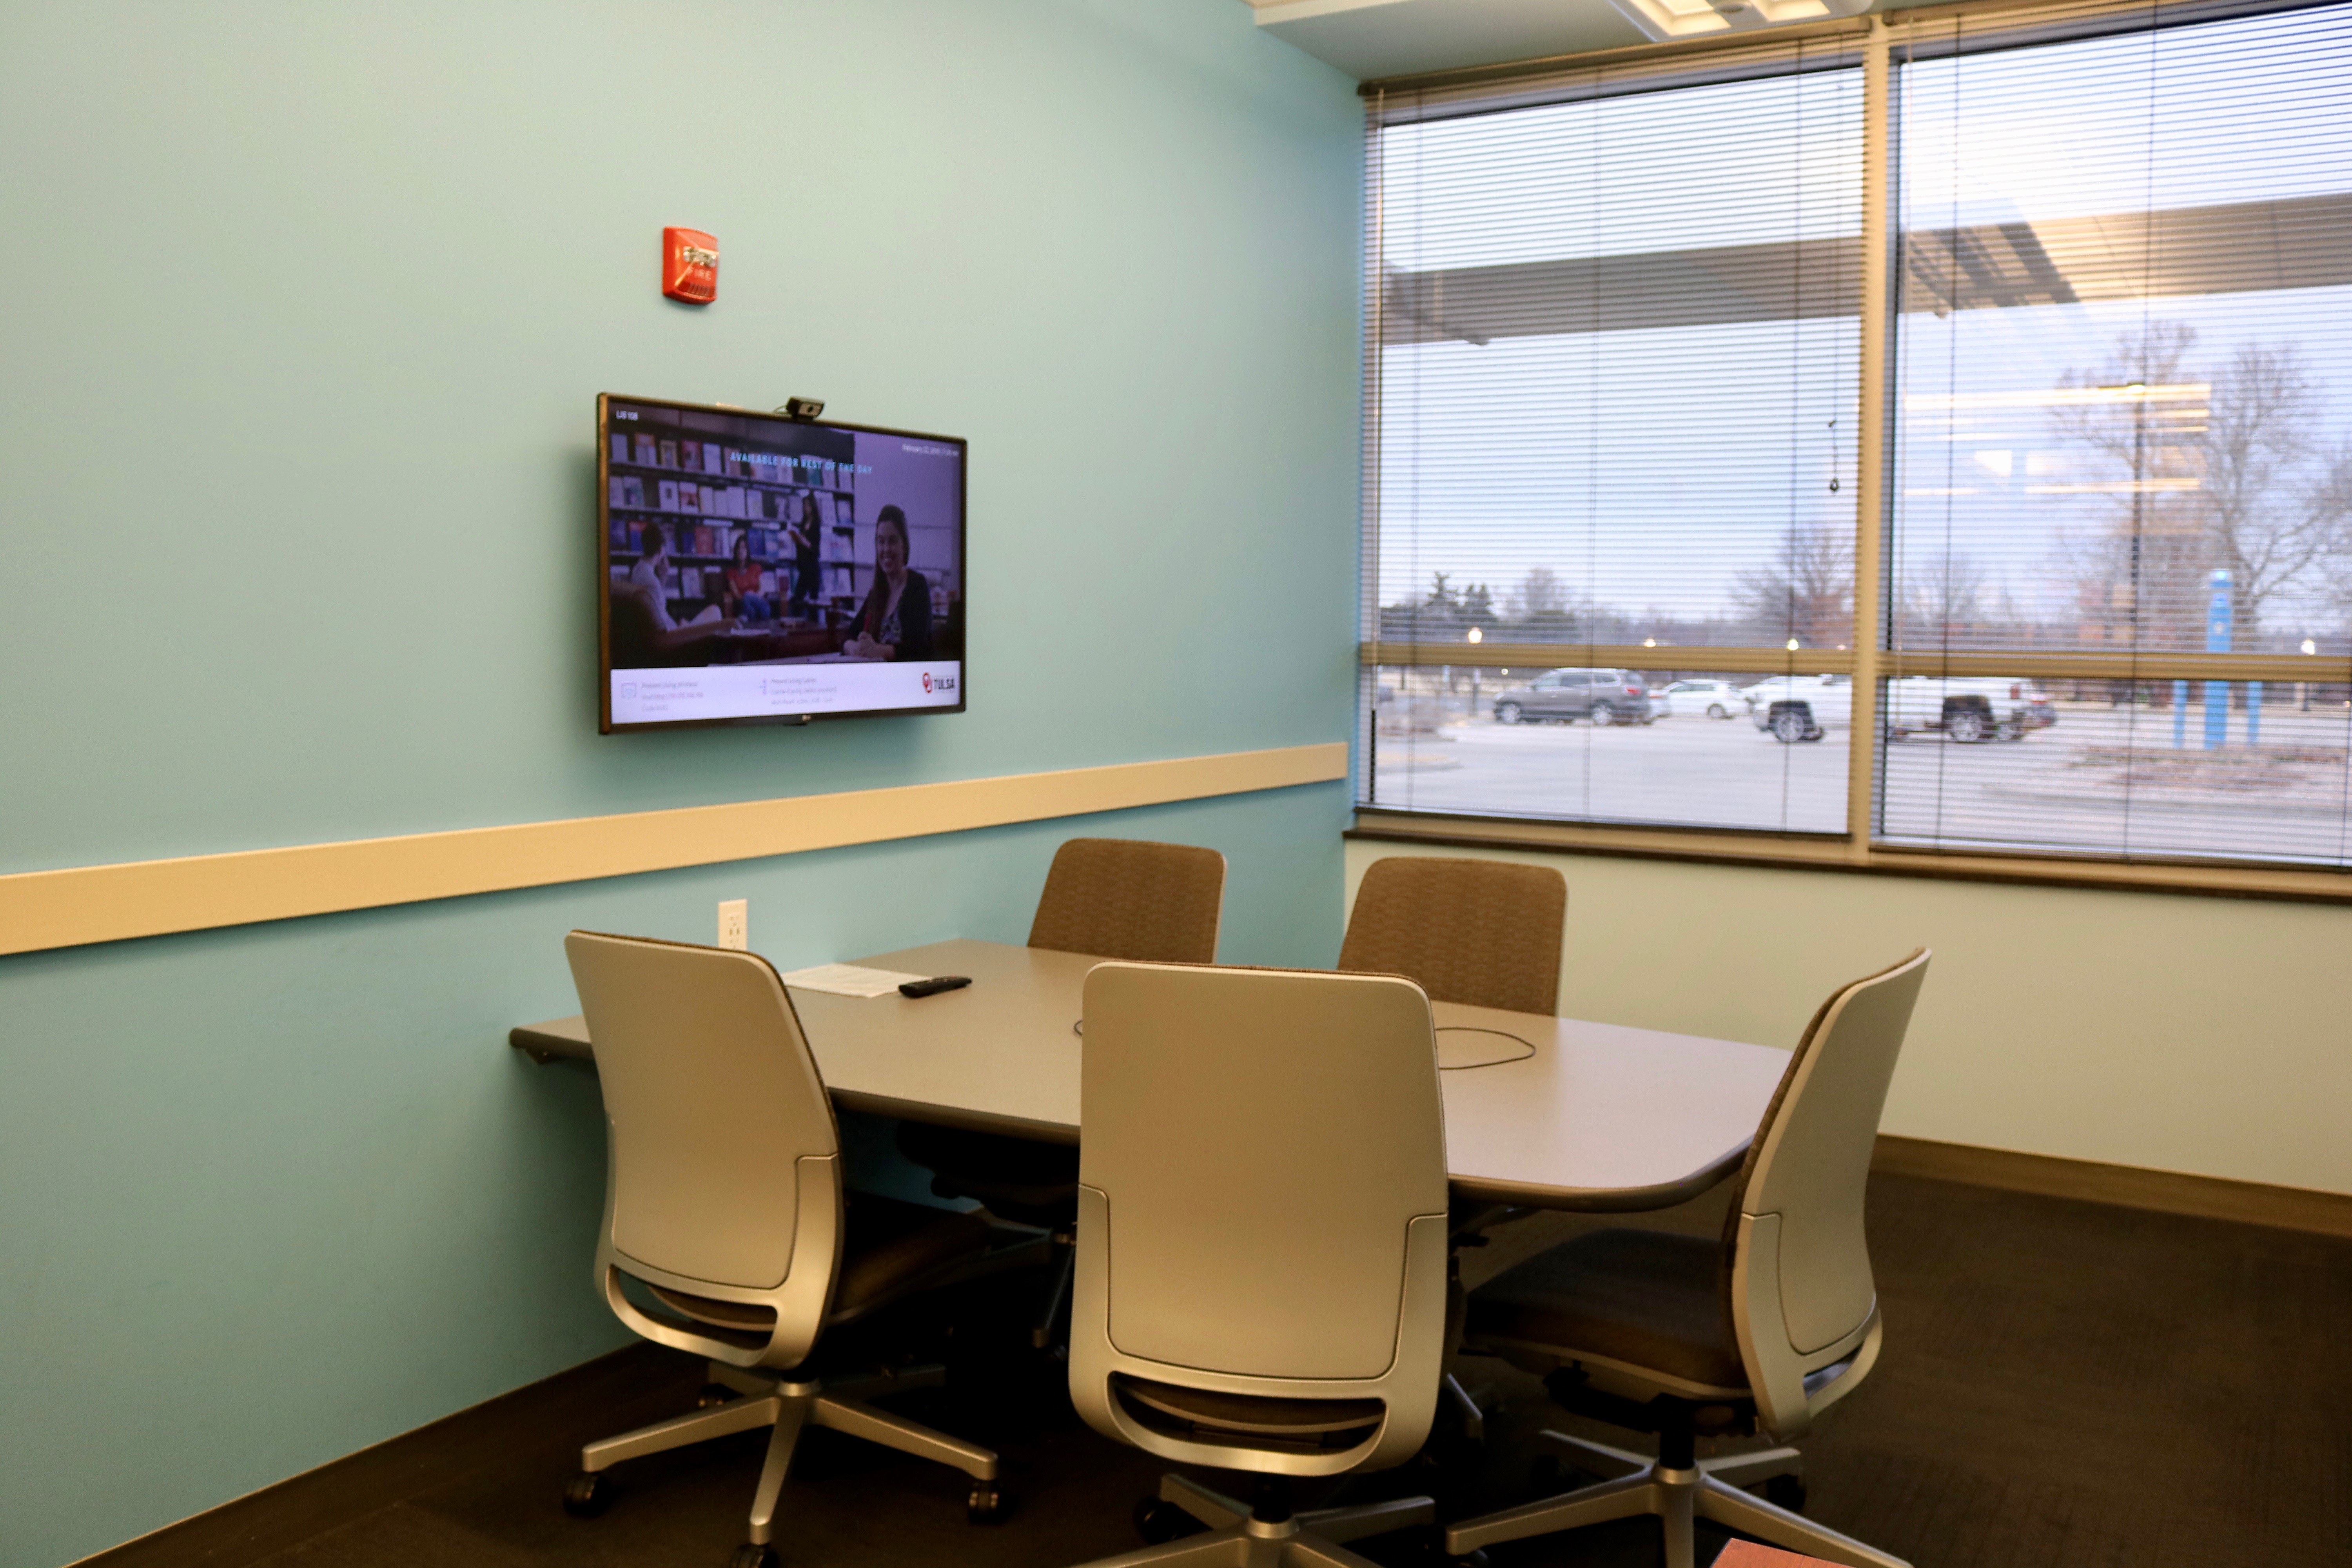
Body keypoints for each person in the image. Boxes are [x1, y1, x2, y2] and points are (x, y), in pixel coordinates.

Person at [843, 505, 932, 661]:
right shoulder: (877, 592)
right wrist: (853, 647)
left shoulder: (917, 586)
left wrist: (877, 650)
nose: (886, 549)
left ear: (904, 546)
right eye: (881, 542)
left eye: (892, 541)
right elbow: (848, 636)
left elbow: (916, 649)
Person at [626, 520, 728, 634]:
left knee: (713, 614)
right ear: (661, 550)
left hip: (672, 629)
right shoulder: (652, 581)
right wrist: (683, 627)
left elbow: (658, 607)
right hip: (674, 635)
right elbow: (662, 623)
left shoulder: (638, 570)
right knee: (715, 611)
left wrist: (663, 577)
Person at [715, 533, 773, 623]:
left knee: (748, 596)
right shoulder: (732, 572)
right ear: (735, 551)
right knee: (750, 609)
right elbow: (736, 594)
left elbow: (762, 590)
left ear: (748, 550)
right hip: (743, 605)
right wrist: (746, 598)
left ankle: (744, 617)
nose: (740, 550)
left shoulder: (756, 567)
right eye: (738, 547)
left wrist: (751, 596)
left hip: (761, 605)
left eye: (744, 547)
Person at [787, 492, 822, 618]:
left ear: (813, 506)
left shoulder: (816, 524)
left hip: (813, 568)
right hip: (804, 567)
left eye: (808, 505)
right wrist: (797, 539)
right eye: (804, 505)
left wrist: (806, 543)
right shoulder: (803, 522)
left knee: (813, 602)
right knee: (797, 599)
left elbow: (816, 549)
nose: (806, 508)